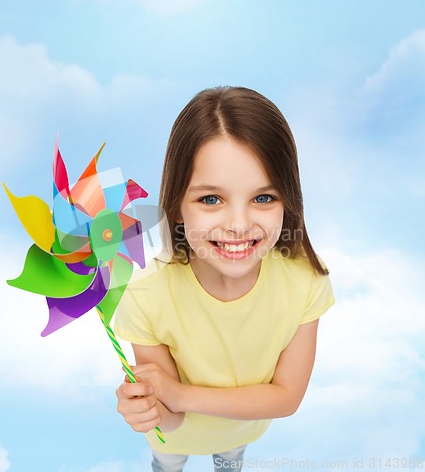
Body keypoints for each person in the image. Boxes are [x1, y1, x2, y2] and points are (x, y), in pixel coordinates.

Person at [114, 86, 335, 472]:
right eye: (211, 199)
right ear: (177, 206)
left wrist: (180, 394)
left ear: (289, 199)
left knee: (232, 454)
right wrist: (148, 407)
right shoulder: (145, 296)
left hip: (243, 431)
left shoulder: (305, 284)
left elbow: (286, 398)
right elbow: (173, 418)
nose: (238, 225)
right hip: (176, 437)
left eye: (263, 198)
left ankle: (228, 460)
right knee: (168, 459)